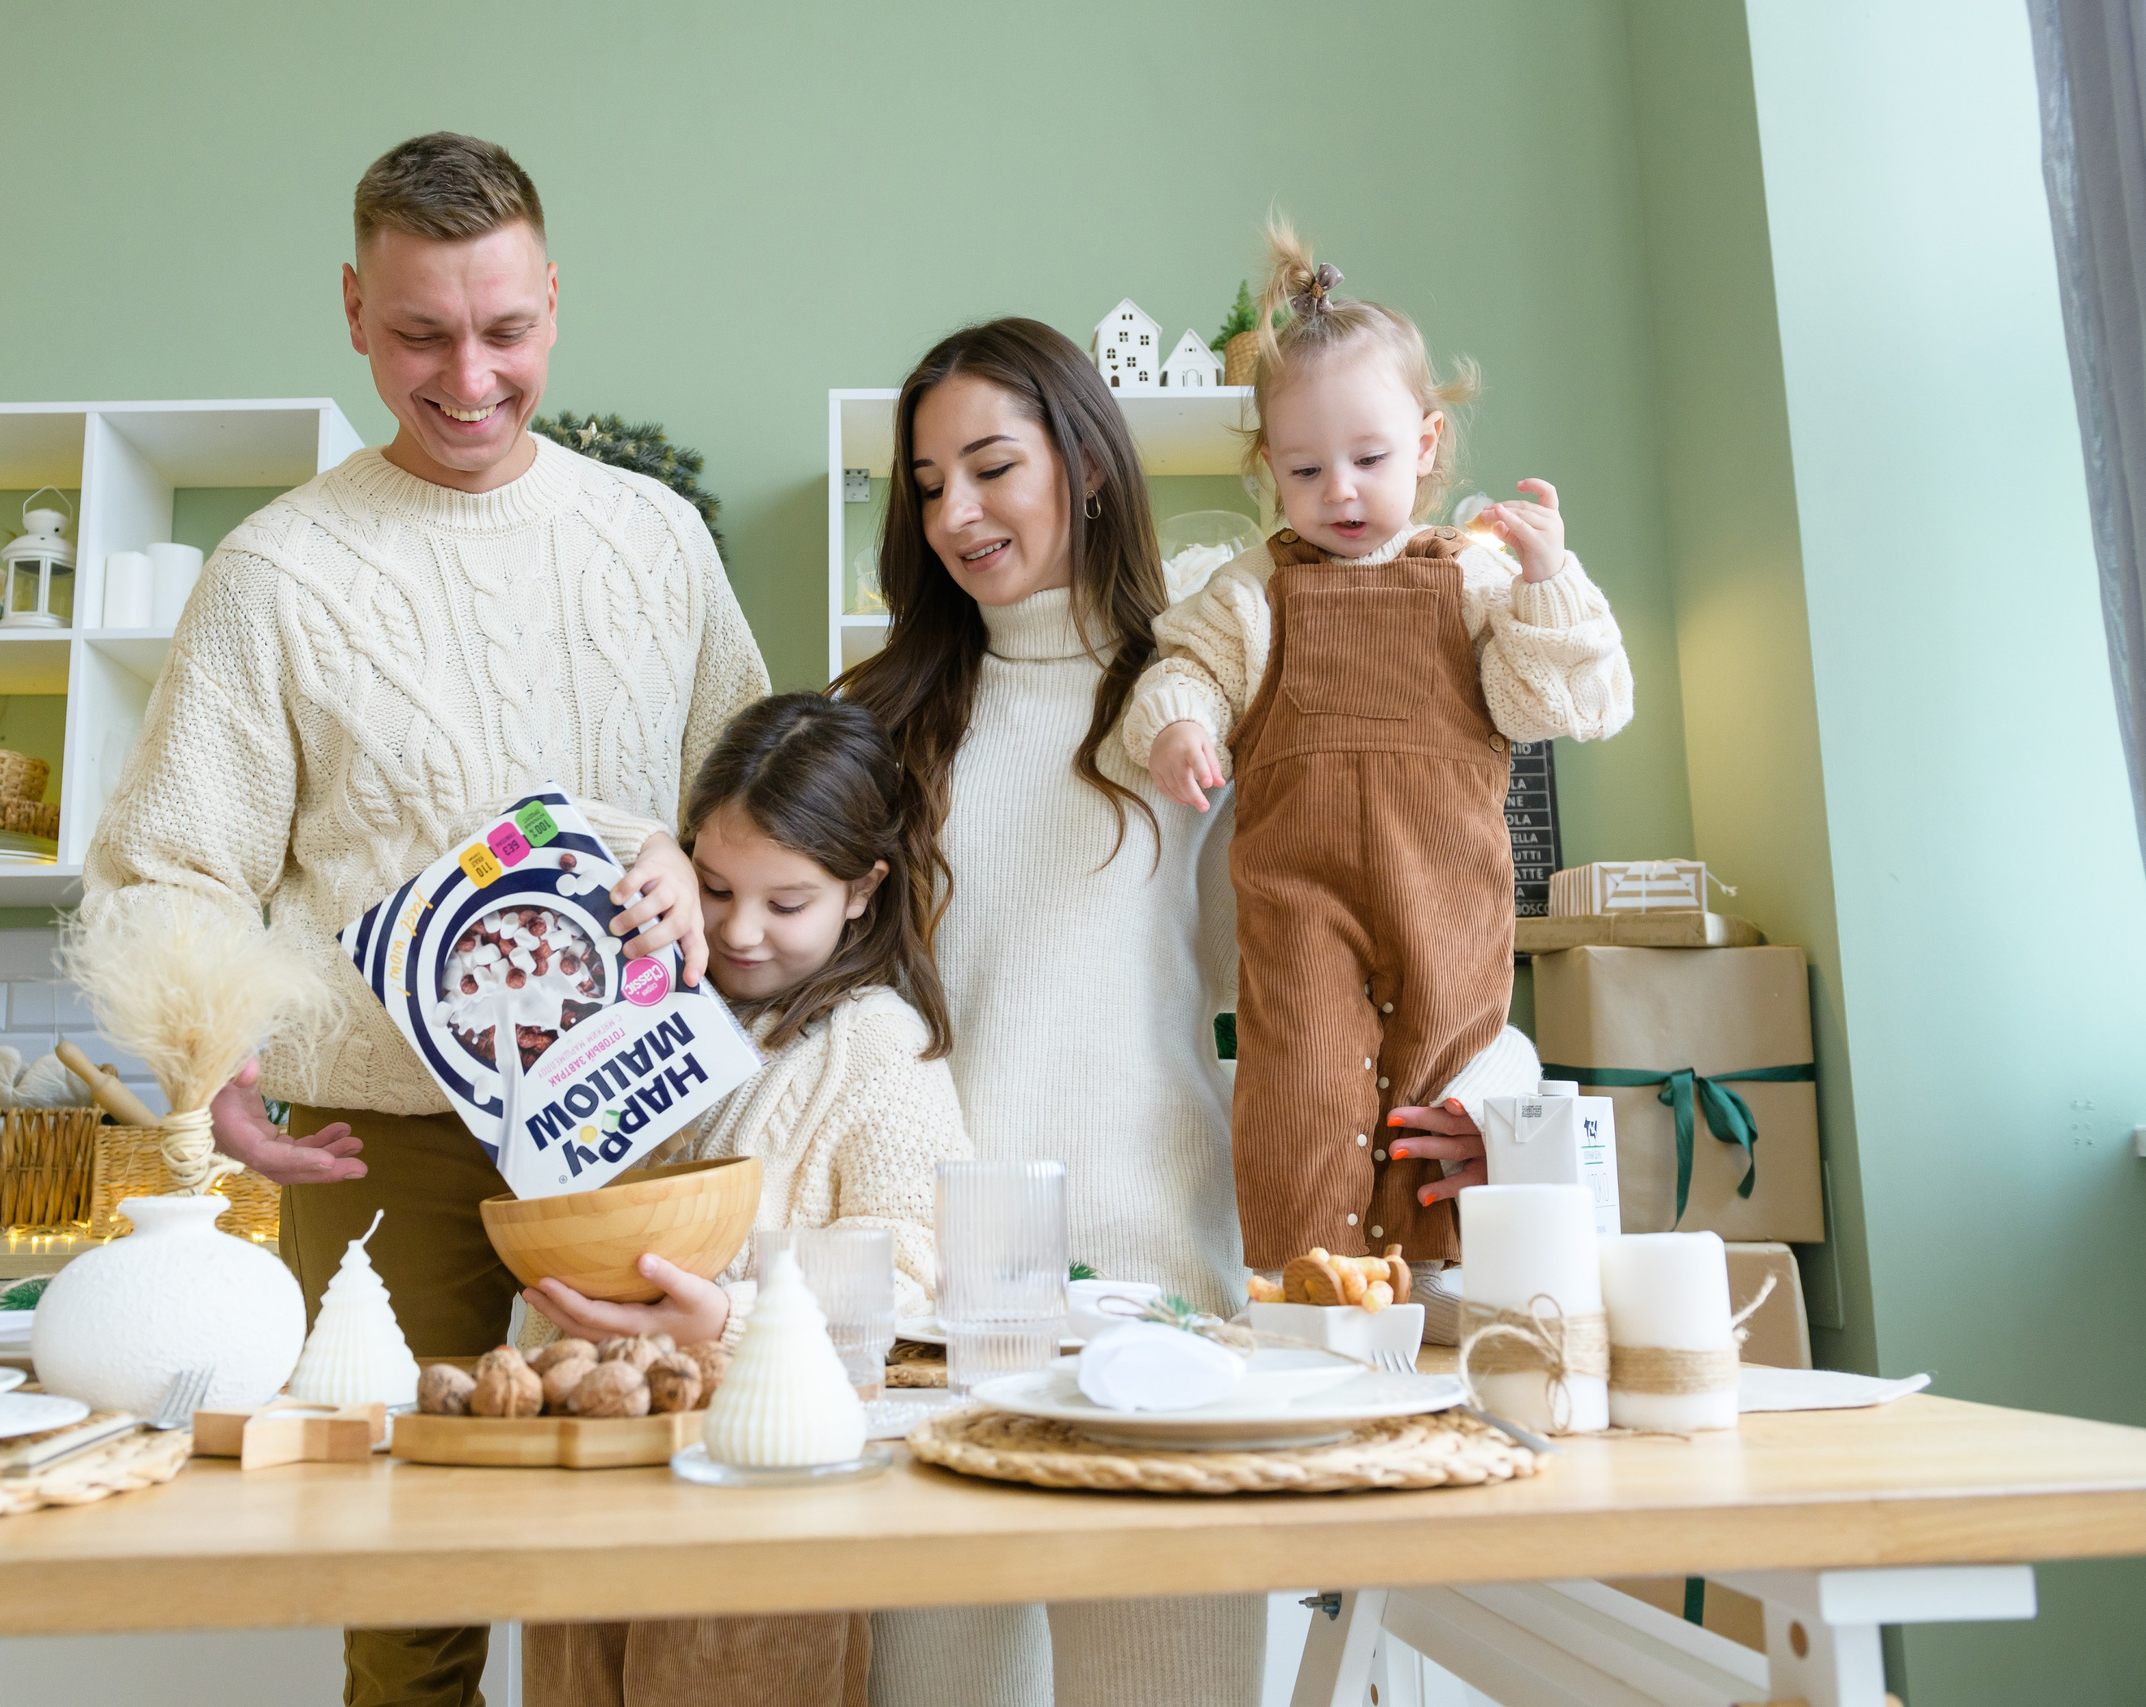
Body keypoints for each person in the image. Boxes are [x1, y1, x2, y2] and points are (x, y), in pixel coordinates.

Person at [80, 131, 769, 1707]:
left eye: (505, 328)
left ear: (552, 304)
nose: (469, 374)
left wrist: (687, 854)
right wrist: (211, 1054)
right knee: (404, 1574)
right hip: (384, 1143)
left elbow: (753, 790)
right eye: (420, 333)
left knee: (663, 1556)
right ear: (350, 308)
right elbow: (173, 865)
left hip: (650, 1125)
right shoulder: (274, 573)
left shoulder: (654, 538)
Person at [841, 318, 1544, 1707]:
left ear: (1091, 466)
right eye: (927, 485)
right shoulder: (880, 724)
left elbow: (1383, 930)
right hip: (938, 1316)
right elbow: (818, 1016)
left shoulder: (1215, 693)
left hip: (1165, 1303)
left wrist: (1491, 1093)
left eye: (992, 466)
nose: (957, 515)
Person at [1123, 218, 1633, 1272]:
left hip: (1443, 893)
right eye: (1305, 471)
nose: (1339, 493)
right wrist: (1178, 723)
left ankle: (1437, 1292)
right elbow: (1185, 666)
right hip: (1298, 900)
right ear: (1270, 467)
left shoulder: (1476, 582)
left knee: (1438, 1099)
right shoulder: (1253, 591)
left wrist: (1549, 580)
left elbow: (1569, 703)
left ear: (1428, 444)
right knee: (1300, 1083)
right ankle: (1308, 1293)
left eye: (1367, 458)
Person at [518, 691, 968, 1707]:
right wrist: (648, 855)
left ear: (863, 890)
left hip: (766, 1474)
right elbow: (526, 830)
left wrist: (727, 1316)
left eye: (786, 902)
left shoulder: (873, 1045)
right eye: (713, 887)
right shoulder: (632, 991)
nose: (740, 931)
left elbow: (907, 1274)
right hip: (592, 1457)